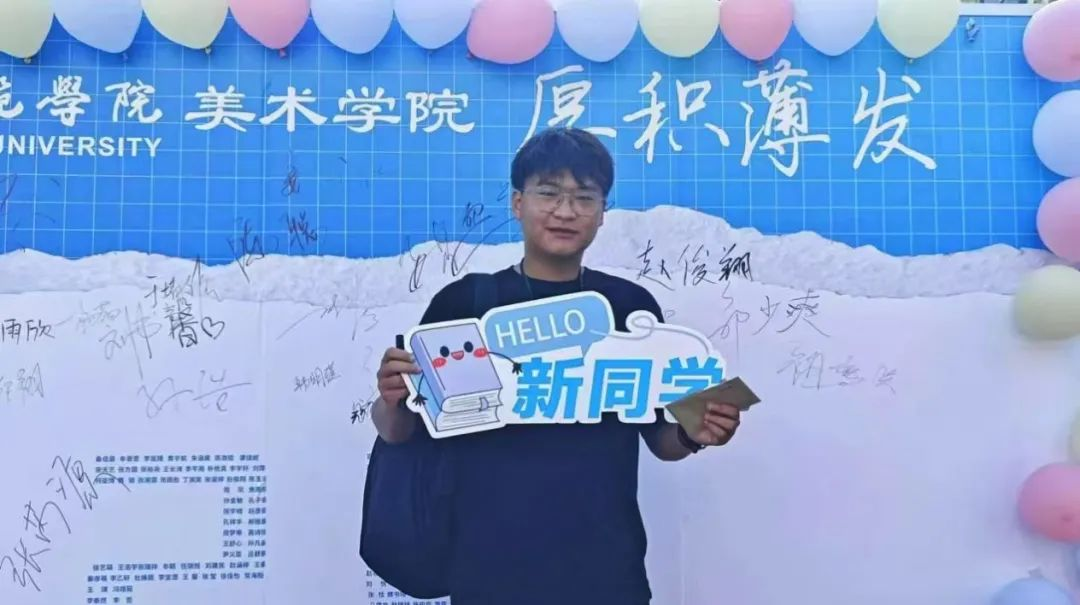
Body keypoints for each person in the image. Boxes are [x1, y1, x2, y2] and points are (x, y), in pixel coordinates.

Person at [372, 127, 742, 605]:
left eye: (584, 197)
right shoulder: (465, 303)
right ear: (518, 202)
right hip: (488, 571)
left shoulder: (629, 306)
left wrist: (695, 432)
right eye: (548, 193)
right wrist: (391, 400)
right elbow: (401, 430)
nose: (566, 211)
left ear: (603, 212)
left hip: (607, 572)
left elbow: (660, 439)